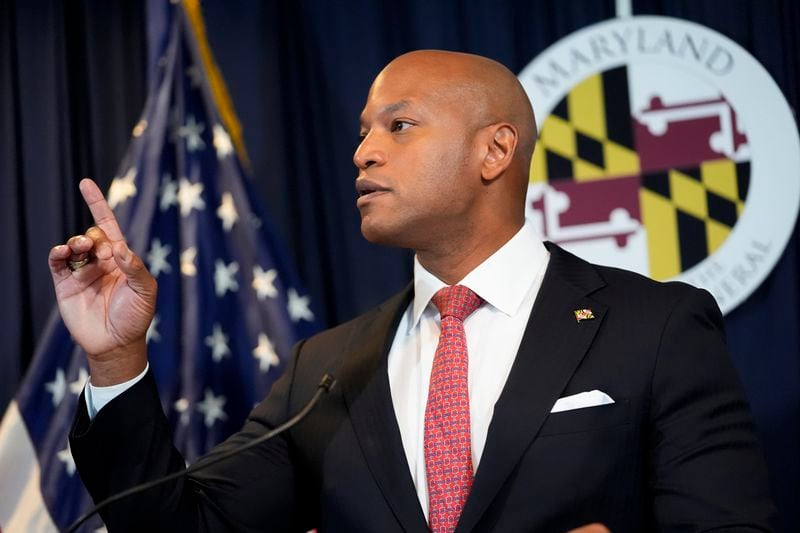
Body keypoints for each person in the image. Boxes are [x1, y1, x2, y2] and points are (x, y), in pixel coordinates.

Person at [51, 50, 775, 532]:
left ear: (496, 150)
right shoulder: (325, 369)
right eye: (365, 131)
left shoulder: (653, 326)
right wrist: (116, 360)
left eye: (399, 126)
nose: (364, 151)